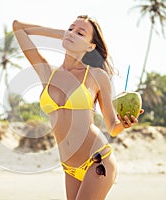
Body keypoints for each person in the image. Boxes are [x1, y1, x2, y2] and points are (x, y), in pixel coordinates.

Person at [12, 15, 144, 200]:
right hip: (70, 168)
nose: (72, 33)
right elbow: (18, 27)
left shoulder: (97, 76)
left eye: (80, 32)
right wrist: (64, 35)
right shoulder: (47, 73)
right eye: (70, 28)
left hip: (97, 160)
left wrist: (125, 124)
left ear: (91, 46)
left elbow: (113, 128)